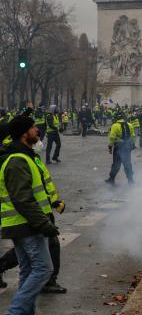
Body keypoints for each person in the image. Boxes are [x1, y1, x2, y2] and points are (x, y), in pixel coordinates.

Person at [0, 116, 59, 314]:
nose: (37, 130)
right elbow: (22, 199)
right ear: (25, 133)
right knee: (44, 269)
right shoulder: (17, 160)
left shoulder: (25, 156)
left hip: (23, 224)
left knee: (27, 272)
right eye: (33, 127)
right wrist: (44, 224)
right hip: (26, 225)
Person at [105, 112, 135, 185]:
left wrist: (110, 147)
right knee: (127, 164)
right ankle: (130, 180)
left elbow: (112, 137)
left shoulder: (115, 126)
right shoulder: (129, 125)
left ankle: (111, 179)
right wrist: (132, 144)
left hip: (118, 147)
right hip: (127, 147)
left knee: (116, 164)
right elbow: (133, 136)